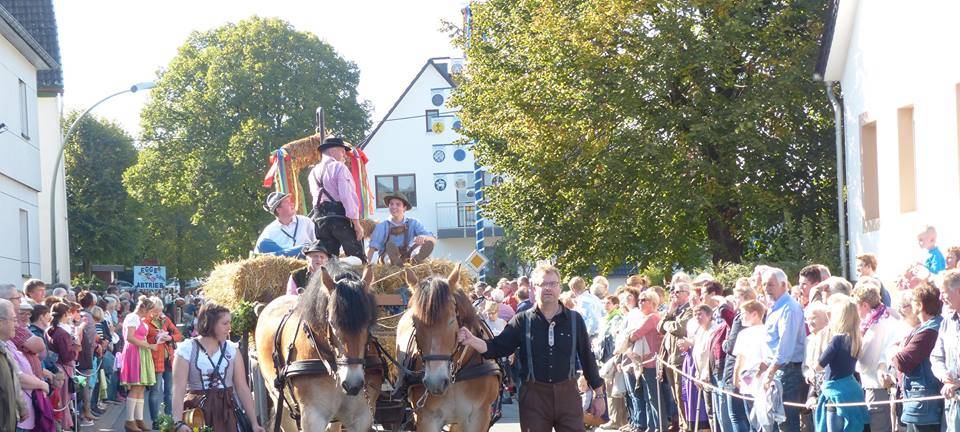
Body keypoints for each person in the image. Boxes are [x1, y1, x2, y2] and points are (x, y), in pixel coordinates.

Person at [458, 262, 604, 430]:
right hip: (534, 398)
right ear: (534, 289)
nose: (548, 288)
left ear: (559, 287)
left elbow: (587, 357)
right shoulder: (522, 320)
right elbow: (497, 348)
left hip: (568, 395)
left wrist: (599, 395)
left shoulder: (574, 319)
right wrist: (472, 340)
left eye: (553, 284)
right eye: (543, 284)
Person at [170, 302, 264, 432]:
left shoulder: (232, 350)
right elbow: (178, 389)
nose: (229, 327)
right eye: (225, 323)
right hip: (197, 414)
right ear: (210, 323)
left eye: (229, 323)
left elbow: (242, 387)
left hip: (227, 413)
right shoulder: (187, 349)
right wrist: (178, 422)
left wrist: (254, 423)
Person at [757, 267, 807, 432]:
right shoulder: (775, 307)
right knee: (774, 421)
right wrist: (765, 366)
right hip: (776, 369)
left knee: (786, 423)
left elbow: (785, 347)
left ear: (784, 285)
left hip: (786, 371)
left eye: (771, 285)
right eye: (764, 284)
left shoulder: (789, 308)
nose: (766, 288)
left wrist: (771, 371)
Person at [812, 295, 869, 432]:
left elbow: (818, 366)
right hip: (853, 390)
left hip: (836, 393)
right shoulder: (856, 339)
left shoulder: (837, 340)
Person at [893, 285, 944, 432]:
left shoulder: (930, 331)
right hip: (920, 402)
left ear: (920, 305)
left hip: (925, 406)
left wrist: (894, 350)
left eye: (913, 302)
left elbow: (902, 361)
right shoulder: (925, 328)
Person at [308, 136, 366, 263]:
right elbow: (347, 197)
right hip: (338, 218)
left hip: (320, 220)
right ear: (332, 151)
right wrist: (356, 224)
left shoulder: (313, 172)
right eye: (342, 151)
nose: (344, 155)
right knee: (358, 259)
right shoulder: (339, 167)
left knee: (328, 261)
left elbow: (314, 199)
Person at [852, 284, 898, 431]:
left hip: (876, 385)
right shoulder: (887, 316)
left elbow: (865, 363)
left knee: (879, 427)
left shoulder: (875, 325)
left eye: (857, 306)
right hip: (884, 384)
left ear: (865, 305)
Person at [657, 280, 694, 431]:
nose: (674, 294)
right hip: (670, 358)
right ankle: (682, 426)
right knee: (676, 397)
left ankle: (686, 427)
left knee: (682, 395)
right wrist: (669, 313)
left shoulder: (690, 310)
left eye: (678, 291)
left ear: (687, 293)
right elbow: (659, 328)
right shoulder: (674, 311)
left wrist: (667, 324)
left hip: (681, 359)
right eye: (672, 291)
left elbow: (680, 328)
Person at [119, 296, 159, 432]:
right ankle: (129, 420)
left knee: (141, 387)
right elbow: (130, 337)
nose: (151, 314)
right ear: (144, 309)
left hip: (141, 352)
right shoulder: (132, 317)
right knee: (136, 386)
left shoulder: (138, 319)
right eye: (150, 311)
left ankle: (138, 419)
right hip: (135, 352)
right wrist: (148, 345)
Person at [366, 192, 436, 265]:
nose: (394, 207)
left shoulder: (414, 223)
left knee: (416, 249)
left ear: (404, 208)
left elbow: (433, 240)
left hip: (408, 254)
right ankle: (393, 261)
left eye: (398, 204)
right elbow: (371, 248)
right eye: (391, 204)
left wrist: (424, 237)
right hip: (387, 257)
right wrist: (366, 265)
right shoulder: (382, 227)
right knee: (387, 256)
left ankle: (415, 258)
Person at [146, 296, 184, 427]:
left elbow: (179, 335)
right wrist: (156, 337)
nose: (158, 313)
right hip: (155, 359)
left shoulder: (165, 319)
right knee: (155, 391)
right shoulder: (145, 321)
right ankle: (155, 420)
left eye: (160, 310)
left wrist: (169, 337)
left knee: (169, 391)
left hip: (168, 359)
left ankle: (169, 418)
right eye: (155, 310)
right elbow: (142, 339)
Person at [932, 269, 960, 431]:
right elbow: (936, 356)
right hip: (953, 402)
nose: (940, 298)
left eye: (943, 292)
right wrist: (944, 376)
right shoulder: (947, 322)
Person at [254, 191, 317, 256]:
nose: (292, 204)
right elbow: (257, 254)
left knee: (305, 248)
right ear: (278, 210)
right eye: (287, 202)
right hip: (283, 261)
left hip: (307, 259)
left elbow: (318, 244)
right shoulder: (269, 231)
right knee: (262, 243)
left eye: (290, 201)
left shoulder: (305, 221)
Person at [46, 301, 77, 430]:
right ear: (64, 314)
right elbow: (67, 356)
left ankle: (63, 425)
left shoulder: (50, 329)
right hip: (63, 368)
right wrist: (75, 347)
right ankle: (64, 426)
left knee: (59, 400)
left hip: (55, 366)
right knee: (64, 400)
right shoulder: (62, 333)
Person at [0, 298, 28, 432]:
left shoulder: (4, 348)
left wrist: (21, 407)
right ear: (0, 323)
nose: (16, 325)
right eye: (13, 320)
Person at [569, 276, 604, 343]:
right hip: (599, 335)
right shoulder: (595, 298)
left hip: (591, 337)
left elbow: (593, 320)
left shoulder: (583, 301)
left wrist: (586, 336)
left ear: (573, 289)